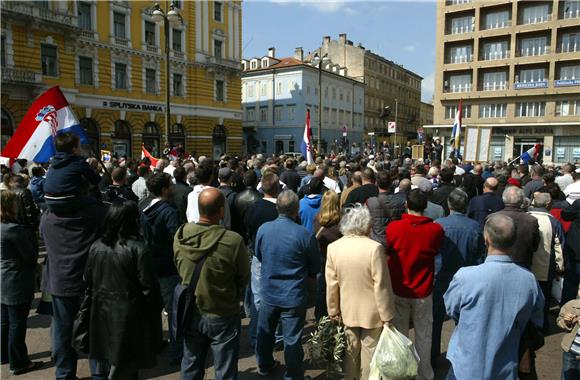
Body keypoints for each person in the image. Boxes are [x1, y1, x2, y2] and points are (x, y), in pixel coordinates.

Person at [443, 214, 544, 380]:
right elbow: (535, 319)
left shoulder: (465, 276)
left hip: (465, 364)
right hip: (505, 365)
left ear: (486, 239)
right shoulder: (529, 280)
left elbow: (452, 309)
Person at [174, 188, 250, 380]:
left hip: (191, 309)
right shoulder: (232, 240)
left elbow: (178, 265)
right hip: (222, 310)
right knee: (225, 369)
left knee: (191, 363)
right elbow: (243, 277)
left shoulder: (181, 234)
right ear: (222, 211)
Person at [85, 199, 163, 380]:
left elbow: (88, 280)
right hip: (129, 316)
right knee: (127, 367)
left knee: (107, 363)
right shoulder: (138, 249)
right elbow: (149, 288)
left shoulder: (96, 246)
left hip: (101, 312)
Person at [40, 171, 107, 379]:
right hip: (90, 283)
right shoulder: (94, 214)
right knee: (96, 330)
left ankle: (64, 374)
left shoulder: (48, 218)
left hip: (60, 283)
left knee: (62, 332)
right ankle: (98, 374)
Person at [254, 190, 320, 379]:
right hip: (293, 294)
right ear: (296, 210)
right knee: (292, 339)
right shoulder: (304, 234)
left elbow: (259, 255)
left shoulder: (264, 229)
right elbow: (314, 266)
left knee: (265, 332)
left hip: (269, 291)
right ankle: (292, 374)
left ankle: (264, 365)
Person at [326, 205, 395, 380]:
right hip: (372, 312)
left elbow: (332, 284)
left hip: (347, 309)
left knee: (350, 352)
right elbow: (382, 285)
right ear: (365, 225)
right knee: (370, 354)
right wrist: (387, 314)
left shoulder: (334, 248)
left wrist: (333, 310)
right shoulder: (374, 248)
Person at [386, 189, 444, 380]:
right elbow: (435, 250)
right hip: (423, 289)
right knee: (424, 334)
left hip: (399, 286)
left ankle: (404, 372)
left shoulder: (394, 228)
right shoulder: (435, 230)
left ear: (406, 205)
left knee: (401, 333)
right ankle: (424, 373)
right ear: (425, 206)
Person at [432, 189, 485, 366]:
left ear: (449, 205)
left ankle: (433, 355)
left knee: (436, 319)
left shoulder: (439, 224)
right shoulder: (475, 226)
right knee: (464, 320)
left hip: (442, 276)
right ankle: (461, 356)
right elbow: (480, 255)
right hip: (468, 278)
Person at [140, 172, 182, 364]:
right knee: (173, 311)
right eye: (170, 184)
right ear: (164, 189)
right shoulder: (169, 211)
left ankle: (154, 344)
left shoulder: (143, 206)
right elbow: (176, 241)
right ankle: (176, 352)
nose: (173, 187)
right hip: (166, 267)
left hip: (148, 265)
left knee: (152, 308)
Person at [0, 190, 44, 375]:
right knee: (17, 322)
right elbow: (29, 256)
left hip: (3, 277)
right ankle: (18, 362)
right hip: (15, 279)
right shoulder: (12, 229)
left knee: (5, 321)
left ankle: (4, 355)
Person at [244, 173, 281, 349]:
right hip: (278, 256)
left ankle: (256, 336)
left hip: (258, 256)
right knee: (278, 296)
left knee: (258, 298)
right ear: (277, 188)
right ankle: (278, 336)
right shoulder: (283, 208)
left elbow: (248, 228)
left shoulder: (254, 207)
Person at [528, 192, 565, 331]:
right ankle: (541, 326)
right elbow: (559, 246)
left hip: (526, 265)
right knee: (543, 299)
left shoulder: (526, 217)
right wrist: (560, 266)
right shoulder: (553, 222)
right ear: (548, 205)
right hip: (545, 266)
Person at [43, 132, 101, 214]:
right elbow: (95, 180)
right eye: (79, 146)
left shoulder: (53, 164)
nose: (81, 149)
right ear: (74, 149)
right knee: (99, 205)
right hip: (69, 202)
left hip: (50, 202)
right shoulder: (78, 162)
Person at [312, 191, 342, 321]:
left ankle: (321, 315)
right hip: (338, 258)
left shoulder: (317, 219)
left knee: (322, 287)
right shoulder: (341, 221)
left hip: (323, 257)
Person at [494, 186, 540, 269]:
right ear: (522, 200)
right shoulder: (531, 220)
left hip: (496, 263)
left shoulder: (492, 217)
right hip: (522, 264)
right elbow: (535, 246)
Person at [367, 170, 405, 246]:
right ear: (390, 183)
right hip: (394, 240)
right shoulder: (400, 201)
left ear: (376, 183)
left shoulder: (371, 202)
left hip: (377, 241)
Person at [233, 170, 262, 241]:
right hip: (254, 234)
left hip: (240, 232)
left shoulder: (237, 196)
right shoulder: (261, 198)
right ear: (257, 182)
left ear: (243, 181)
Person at [562, 200, 580, 305]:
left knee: (571, 283)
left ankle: (566, 309)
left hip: (576, 250)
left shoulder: (578, 203)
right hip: (576, 250)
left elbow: (565, 214)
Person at [557, 297, 580, 379]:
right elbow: (559, 320)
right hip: (570, 352)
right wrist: (567, 322)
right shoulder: (572, 305)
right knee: (567, 376)